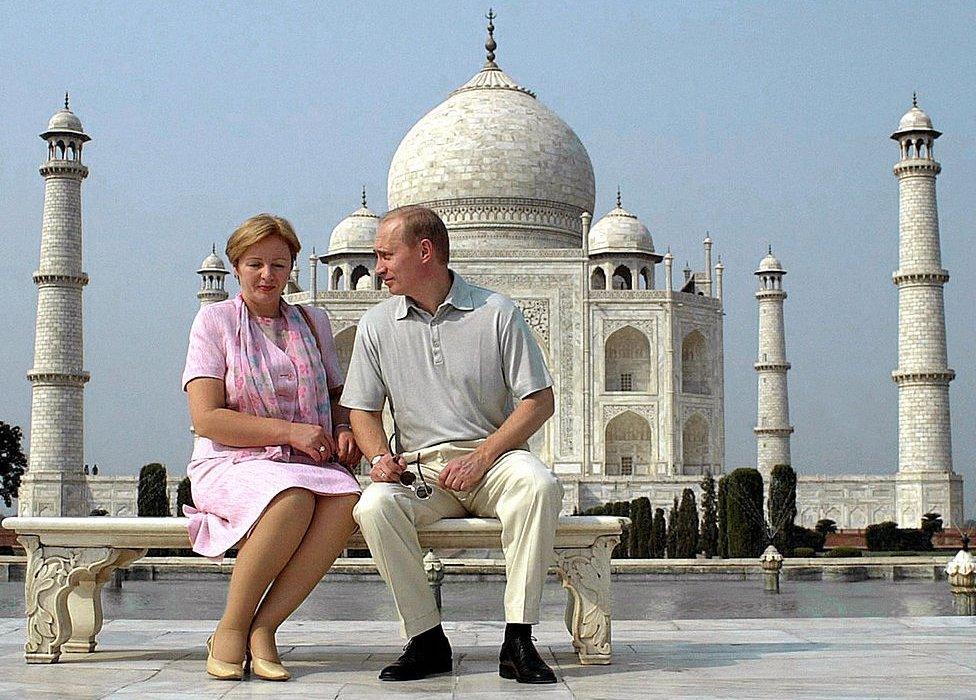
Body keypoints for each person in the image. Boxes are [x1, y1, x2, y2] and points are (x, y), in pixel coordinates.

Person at [342, 205, 562, 684]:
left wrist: (482, 457)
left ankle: (518, 638)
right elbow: (360, 408)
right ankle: (426, 639)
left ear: (424, 252)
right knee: (374, 505)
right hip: (422, 472)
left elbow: (539, 400)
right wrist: (379, 458)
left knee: (540, 485)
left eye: (384, 255)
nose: (376, 268)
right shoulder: (377, 325)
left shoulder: (496, 312)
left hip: (495, 461)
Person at [182, 214, 362, 681]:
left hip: (305, 460)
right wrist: (289, 431)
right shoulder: (214, 321)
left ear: (292, 269)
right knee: (291, 498)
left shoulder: (313, 320)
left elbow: (339, 396)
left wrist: (343, 427)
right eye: (255, 263)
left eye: (278, 265)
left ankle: (263, 627)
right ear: (236, 266)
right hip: (231, 461)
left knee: (346, 500)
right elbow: (206, 418)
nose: (267, 275)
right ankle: (231, 628)